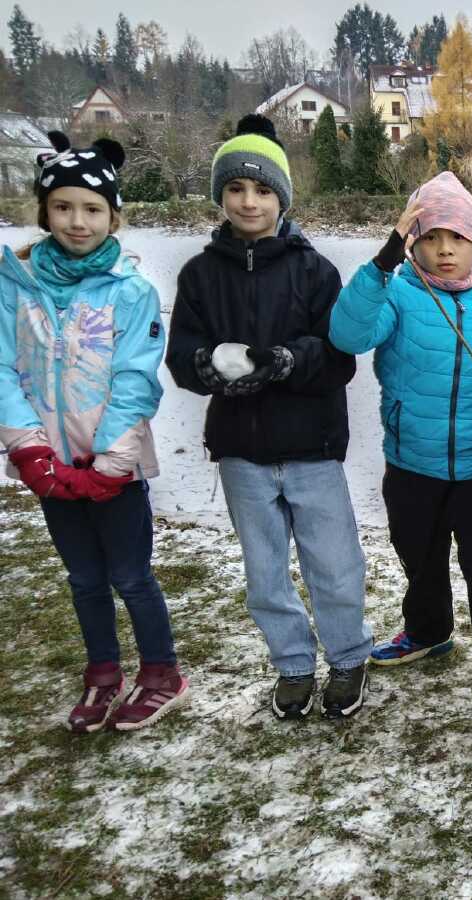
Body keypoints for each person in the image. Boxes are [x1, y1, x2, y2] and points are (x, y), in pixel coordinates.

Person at [328, 172, 472, 763]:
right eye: (430, 236)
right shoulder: (396, 297)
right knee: (418, 559)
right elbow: (347, 335)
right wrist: (382, 263)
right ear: (412, 242)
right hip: (410, 467)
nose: (445, 249)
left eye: (458, 237)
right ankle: (428, 631)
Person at [166, 114, 372, 720]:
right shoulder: (200, 275)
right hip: (242, 451)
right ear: (221, 196)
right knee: (264, 571)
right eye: (235, 188)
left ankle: (348, 656)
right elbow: (181, 355)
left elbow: (338, 357)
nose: (249, 201)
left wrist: (283, 361)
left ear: (282, 197)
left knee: (334, 564)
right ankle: (292, 664)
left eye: (261, 189)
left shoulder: (315, 271)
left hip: (312, 446)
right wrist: (206, 366)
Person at [0, 131, 187, 732]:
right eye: (63, 206)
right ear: (44, 210)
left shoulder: (130, 292)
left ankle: (160, 670)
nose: (77, 221)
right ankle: (102, 673)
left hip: (112, 466)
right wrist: (28, 449)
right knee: (84, 578)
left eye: (92, 208)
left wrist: (111, 461)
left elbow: (136, 378)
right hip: (49, 465)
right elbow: (3, 366)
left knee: (131, 575)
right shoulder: (15, 285)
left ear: (113, 216)